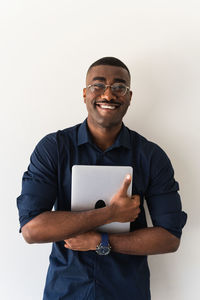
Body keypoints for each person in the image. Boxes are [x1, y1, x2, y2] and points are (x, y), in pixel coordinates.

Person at [17, 57, 187, 300]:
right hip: (65, 291)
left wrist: (101, 241)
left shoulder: (151, 156)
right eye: (98, 85)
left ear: (129, 97)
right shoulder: (53, 148)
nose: (108, 94)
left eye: (119, 87)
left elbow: (170, 238)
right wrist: (110, 213)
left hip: (127, 292)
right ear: (85, 93)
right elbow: (32, 230)